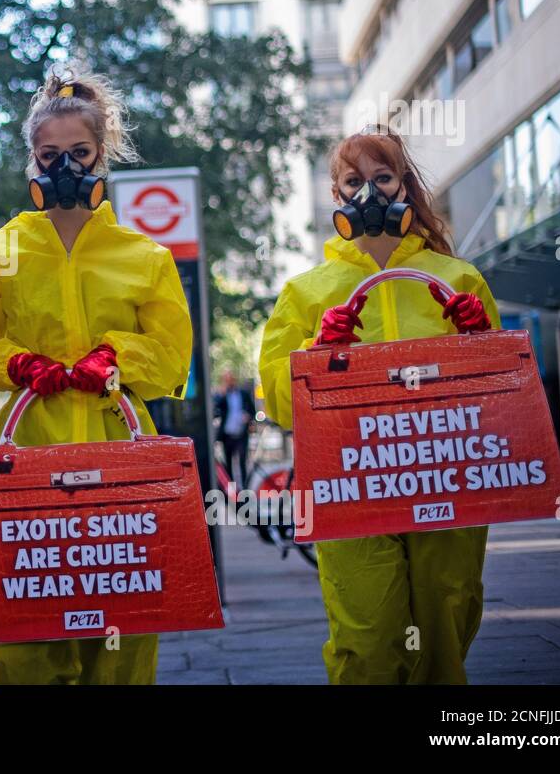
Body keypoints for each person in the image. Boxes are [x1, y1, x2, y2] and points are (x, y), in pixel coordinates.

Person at [0, 69, 193, 685]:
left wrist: (116, 358)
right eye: (49, 155)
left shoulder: (145, 256)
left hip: (121, 457)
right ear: (32, 160)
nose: (64, 167)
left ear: (101, 155)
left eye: (78, 154)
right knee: (25, 632)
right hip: (27, 455)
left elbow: (171, 359)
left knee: (123, 636)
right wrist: (17, 362)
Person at [258, 124, 501, 684]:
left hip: (447, 479)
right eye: (353, 180)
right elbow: (278, 401)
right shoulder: (307, 292)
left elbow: (502, 394)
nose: (369, 190)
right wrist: (317, 353)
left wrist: (480, 340)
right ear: (337, 197)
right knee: (365, 635)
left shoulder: (458, 279)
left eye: (382, 177)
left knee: (446, 620)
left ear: (405, 187)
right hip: (349, 485)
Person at [213, 370, 254, 489]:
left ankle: (245, 490)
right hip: (227, 435)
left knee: (242, 462)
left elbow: (252, 410)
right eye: (226, 379)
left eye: (230, 379)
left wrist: (248, 416)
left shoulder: (243, 394)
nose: (229, 381)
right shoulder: (222, 395)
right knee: (228, 464)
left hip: (241, 434)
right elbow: (215, 409)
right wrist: (222, 393)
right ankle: (231, 491)